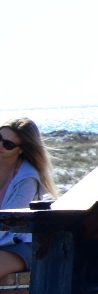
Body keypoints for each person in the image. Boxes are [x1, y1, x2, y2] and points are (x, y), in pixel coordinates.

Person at [0, 117, 57, 276]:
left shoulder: (28, 178)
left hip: (17, 243)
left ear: (21, 149)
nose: (0, 145)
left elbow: (10, 221)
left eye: (8, 144)